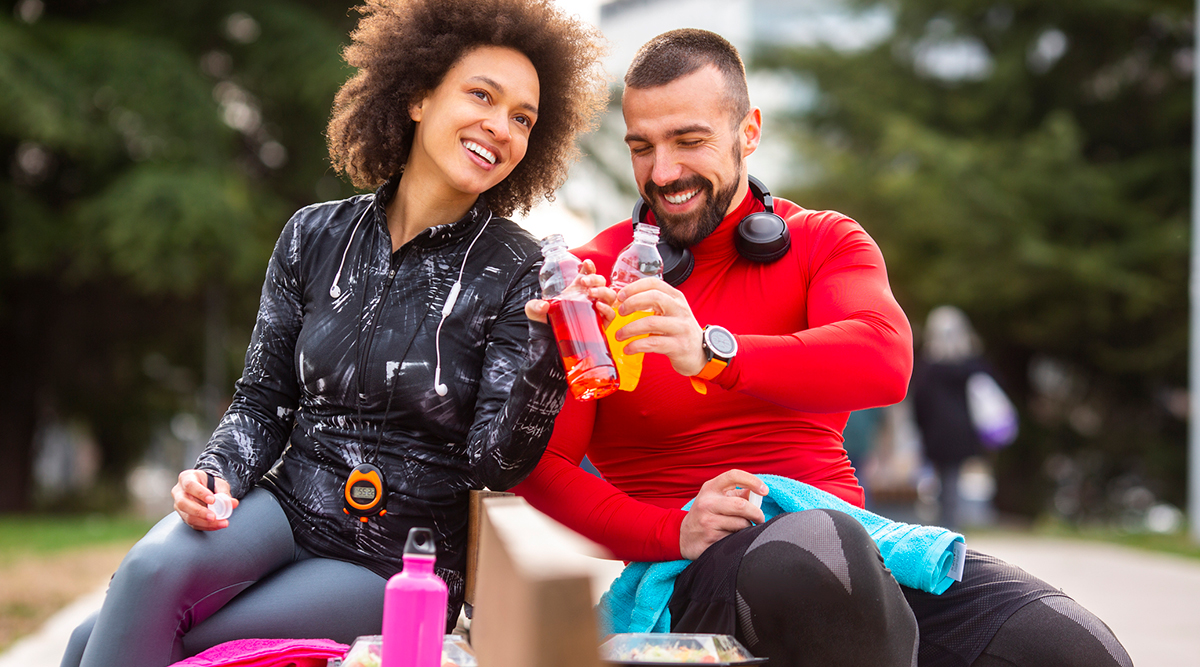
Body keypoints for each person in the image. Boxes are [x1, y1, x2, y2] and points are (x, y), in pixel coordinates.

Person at [518, 28, 1132, 667]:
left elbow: (884, 358)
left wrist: (712, 353)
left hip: (856, 559)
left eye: (689, 140)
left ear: (749, 131)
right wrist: (673, 529)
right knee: (815, 550)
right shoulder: (590, 280)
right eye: (642, 147)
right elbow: (546, 467)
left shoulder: (825, 241)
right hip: (703, 565)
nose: (663, 172)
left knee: (1076, 649)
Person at [60, 1, 604, 666]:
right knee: (144, 580)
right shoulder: (314, 235)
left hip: (395, 556)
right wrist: (215, 474)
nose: (500, 126)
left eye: (523, 117)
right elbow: (263, 401)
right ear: (417, 97)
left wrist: (547, 359)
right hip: (287, 507)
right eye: (481, 95)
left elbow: (494, 460)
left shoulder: (518, 268)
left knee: (127, 642)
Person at [910, 305, 993, 530]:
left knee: (942, 481)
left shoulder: (927, 369)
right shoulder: (972, 366)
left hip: (936, 432)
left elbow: (919, 403)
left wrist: (921, 429)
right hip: (962, 431)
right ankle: (951, 525)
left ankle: (945, 526)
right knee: (953, 479)